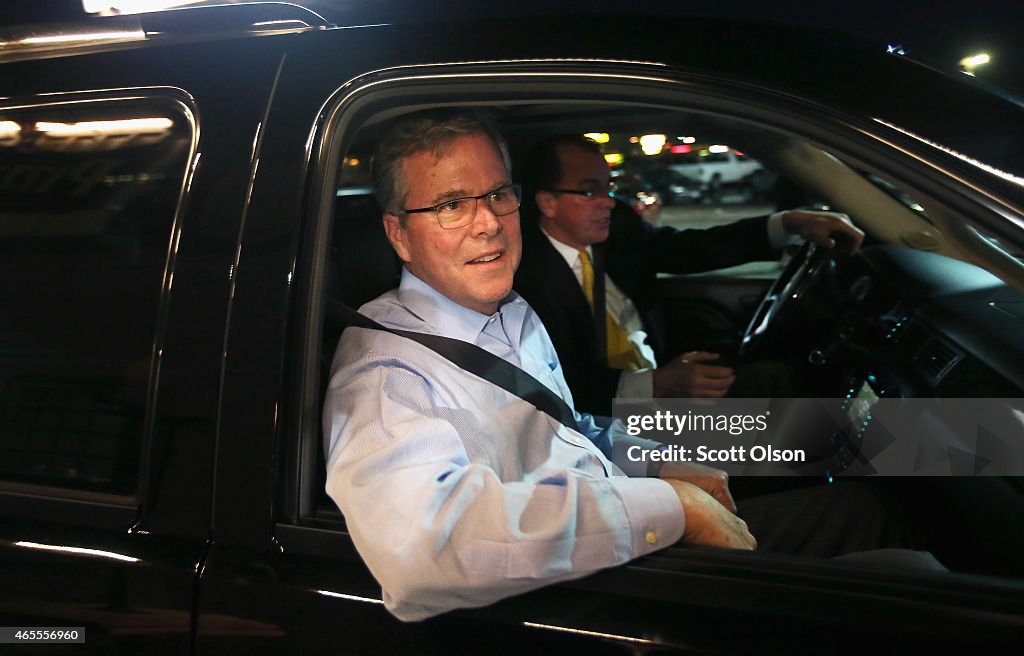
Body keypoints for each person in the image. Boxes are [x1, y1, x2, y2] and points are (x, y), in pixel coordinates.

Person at [323, 109, 755, 622]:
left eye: (498, 195)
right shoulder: (387, 374)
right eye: (451, 205)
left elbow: (566, 428)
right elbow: (428, 548)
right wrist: (670, 507)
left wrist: (655, 462)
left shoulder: (511, 309)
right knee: (851, 500)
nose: (488, 223)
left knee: (846, 495)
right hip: (588, 594)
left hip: (623, 519)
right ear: (398, 234)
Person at [514, 135, 865, 416]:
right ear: (548, 203)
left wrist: (791, 223)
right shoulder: (524, 278)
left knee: (779, 381)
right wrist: (658, 385)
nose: (608, 201)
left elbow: (692, 248)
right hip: (608, 416)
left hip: (658, 377)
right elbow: (563, 385)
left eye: (609, 187)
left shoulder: (618, 228)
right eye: (591, 190)